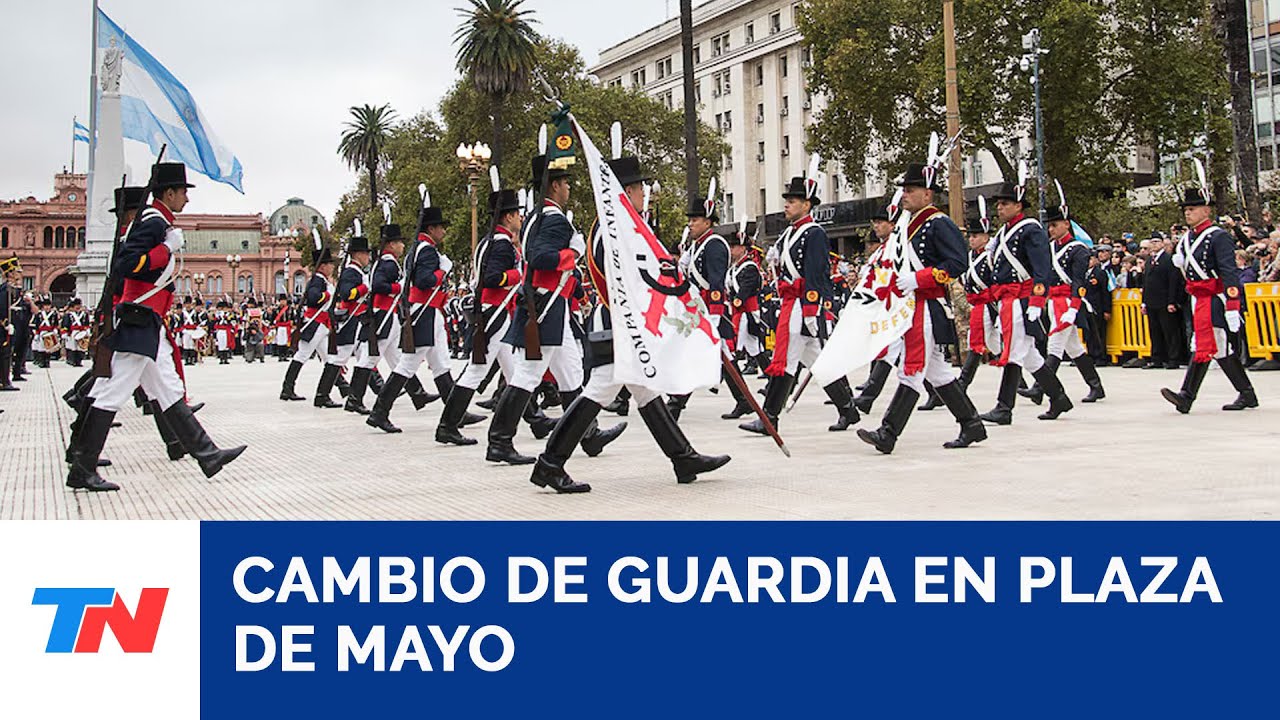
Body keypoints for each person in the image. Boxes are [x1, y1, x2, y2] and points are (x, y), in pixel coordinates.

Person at [529, 146, 728, 492]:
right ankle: (549, 463)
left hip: (626, 325)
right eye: (638, 189)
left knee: (644, 390)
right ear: (626, 192)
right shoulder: (613, 231)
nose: (643, 195)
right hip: (619, 325)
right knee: (600, 389)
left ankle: (682, 457)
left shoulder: (620, 229)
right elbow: (632, 281)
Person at [68, 161, 246, 491]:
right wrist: (165, 250)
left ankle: (206, 454)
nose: (186, 199)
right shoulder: (152, 221)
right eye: (183, 192)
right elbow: (127, 263)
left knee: (167, 388)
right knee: (112, 392)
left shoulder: (157, 220)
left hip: (148, 321)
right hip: (138, 320)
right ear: (168, 193)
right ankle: (82, 468)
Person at [856, 159, 986, 453]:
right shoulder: (906, 227)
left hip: (928, 305)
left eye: (911, 190)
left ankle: (888, 433)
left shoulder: (938, 224)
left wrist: (920, 278)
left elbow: (957, 263)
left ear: (928, 194)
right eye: (904, 190)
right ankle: (971, 424)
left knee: (912, 370)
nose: (904, 195)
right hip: (910, 306)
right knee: (938, 373)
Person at [741, 164, 860, 436]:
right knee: (818, 363)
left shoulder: (814, 232)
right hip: (790, 303)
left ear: (806, 204)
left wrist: (811, 309)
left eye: (792, 201)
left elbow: (817, 274)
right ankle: (848, 408)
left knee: (786, 360)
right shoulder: (790, 232)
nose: (786, 205)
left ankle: (769, 417)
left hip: (802, 305)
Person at [486, 154, 587, 466]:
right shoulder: (554, 218)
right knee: (528, 375)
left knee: (571, 372)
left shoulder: (533, 217)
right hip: (546, 304)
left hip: (552, 305)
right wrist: (573, 254)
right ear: (555, 185)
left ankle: (589, 432)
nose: (569, 187)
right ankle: (500, 442)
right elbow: (541, 257)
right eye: (566, 182)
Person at [979, 174, 1073, 425]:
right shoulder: (1003, 233)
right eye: (998, 204)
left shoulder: (1030, 229)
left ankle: (1003, 407)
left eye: (1005, 203)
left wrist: (1037, 302)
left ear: (1019, 205)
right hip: (1008, 300)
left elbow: (1042, 268)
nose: (999, 207)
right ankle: (1058, 397)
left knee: (1013, 354)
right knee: (1030, 356)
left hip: (1022, 300)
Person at [1161, 174, 1259, 413]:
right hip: (1198, 298)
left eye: (1192, 209)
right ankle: (1246, 394)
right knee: (1216, 347)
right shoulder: (1186, 238)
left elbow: (1229, 272)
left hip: (1215, 298)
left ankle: (1187, 395)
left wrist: (1233, 305)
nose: (1187, 213)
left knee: (1209, 344)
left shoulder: (1218, 236)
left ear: (1206, 210)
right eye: (1186, 209)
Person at [436, 186, 526, 446]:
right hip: (495, 312)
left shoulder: (490, 242)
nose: (520, 218)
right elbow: (492, 279)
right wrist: (517, 276)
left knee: (517, 372)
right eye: (517, 214)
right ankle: (448, 425)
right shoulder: (501, 245)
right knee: (476, 372)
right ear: (508, 217)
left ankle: (536, 418)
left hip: (496, 312)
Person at [367, 195, 460, 433]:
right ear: (431, 228)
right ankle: (380, 412)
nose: (444, 232)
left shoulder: (416, 250)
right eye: (441, 227)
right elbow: (425, 281)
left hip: (429, 311)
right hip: (424, 311)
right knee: (407, 365)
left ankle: (455, 410)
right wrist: (442, 272)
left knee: (441, 363)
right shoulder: (427, 251)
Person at [1039, 199, 1105, 403]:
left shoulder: (1078, 249)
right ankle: (1096, 386)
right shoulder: (1050, 248)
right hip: (1053, 302)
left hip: (1068, 302)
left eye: (1055, 224)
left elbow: (1079, 281)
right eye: (1049, 225)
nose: (1051, 229)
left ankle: (1040, 387)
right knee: (1074, 348)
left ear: (1066, 224)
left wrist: (1074, 307)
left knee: (1055, 346)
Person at [721, 222, 767, 419]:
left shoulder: (749, 267)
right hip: (737, 313)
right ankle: (771, 385)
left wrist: (736, 299)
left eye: (734, 247)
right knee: (755, 352)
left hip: (748, 314)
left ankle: (774, 385)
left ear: (743, 248)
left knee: (751, 352)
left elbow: (746, 289)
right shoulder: (734, 268)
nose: (731, 250)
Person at [280, 247, 335, 401]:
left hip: (322, 323)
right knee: (303, 355)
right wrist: (329, 295)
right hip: (316, 323)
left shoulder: (321, 280)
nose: (332, 267)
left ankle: (342, 388)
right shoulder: (318, 280)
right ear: (322, 266)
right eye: (330, 264)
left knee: (330, 359)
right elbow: (313, 298)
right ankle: (287, 389)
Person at [1142, 232, 1184, 369]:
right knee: (1154, 331)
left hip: (1165, 301)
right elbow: (1145, 283)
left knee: (1170, 331)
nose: (1153, 245)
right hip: (1151, 301)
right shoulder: (1149, 261)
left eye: (1156, 242)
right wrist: (1144, 302)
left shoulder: (1168, 259)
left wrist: (1172, 301)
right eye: (1152, 242)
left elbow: (1173, 282)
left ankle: (1173, 358)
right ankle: (1156, 358)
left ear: (1162, 243)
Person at [1083, 246, 1113, 364]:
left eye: (1090, 259)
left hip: (1097, 307)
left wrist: (1107, 310)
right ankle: (1091, 354)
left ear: (1095, 260)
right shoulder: (1084, 274)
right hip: (1086, 307)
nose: (1088, 262)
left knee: (1099, 332)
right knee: (1088, 333)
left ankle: (1101, 356)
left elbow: (1105, 293)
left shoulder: (1100, 273)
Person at [0, 256, 25, 391]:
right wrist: (5, 324)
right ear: (9, 273)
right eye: (16, 271)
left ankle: (5, 380)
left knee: (8, 354)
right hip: (4, 329)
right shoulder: (5, 290)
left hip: (11, 326)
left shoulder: (11, 289)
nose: (19, 274)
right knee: (4, 355)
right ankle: (4, 381)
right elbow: (3, 308)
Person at [61, 298, 90, 367]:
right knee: (72, 347)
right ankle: (72, 360)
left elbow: (86, 324)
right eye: (76, 305)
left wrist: (87, 331)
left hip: (81, 332)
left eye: (79, 305)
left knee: (80, 347)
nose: (78, 307)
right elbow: (65, 324)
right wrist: (65, 333)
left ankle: (79, 361)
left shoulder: (84, 314)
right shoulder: (68, 315)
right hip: (72, 333)